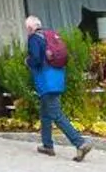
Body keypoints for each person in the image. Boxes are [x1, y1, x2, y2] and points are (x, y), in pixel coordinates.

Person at [24, 14, 92, 161]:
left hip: (45, 80)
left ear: (30, 28)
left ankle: (80, 143)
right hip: (57, 78)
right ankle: (47, 145)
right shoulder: (50, 35)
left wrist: (27, 61)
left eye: (26, 28)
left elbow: (35, 59)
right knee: (45, 113)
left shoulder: (34, 39)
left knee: (56, 114)